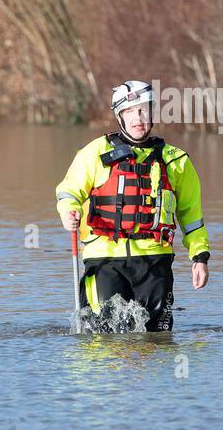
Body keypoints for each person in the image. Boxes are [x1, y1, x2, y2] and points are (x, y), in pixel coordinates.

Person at [56, 79, 210, 331]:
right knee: (103, 338)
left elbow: (191, 215)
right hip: (105, 260)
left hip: (154, 261)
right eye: (129, 111)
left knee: (156, 339)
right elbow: (69, 190)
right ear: (119, 116)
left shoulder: (177, 160)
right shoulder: (94, 153)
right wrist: (67, 212)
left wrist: (200, 257)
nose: (138, 118)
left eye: (144, 110)